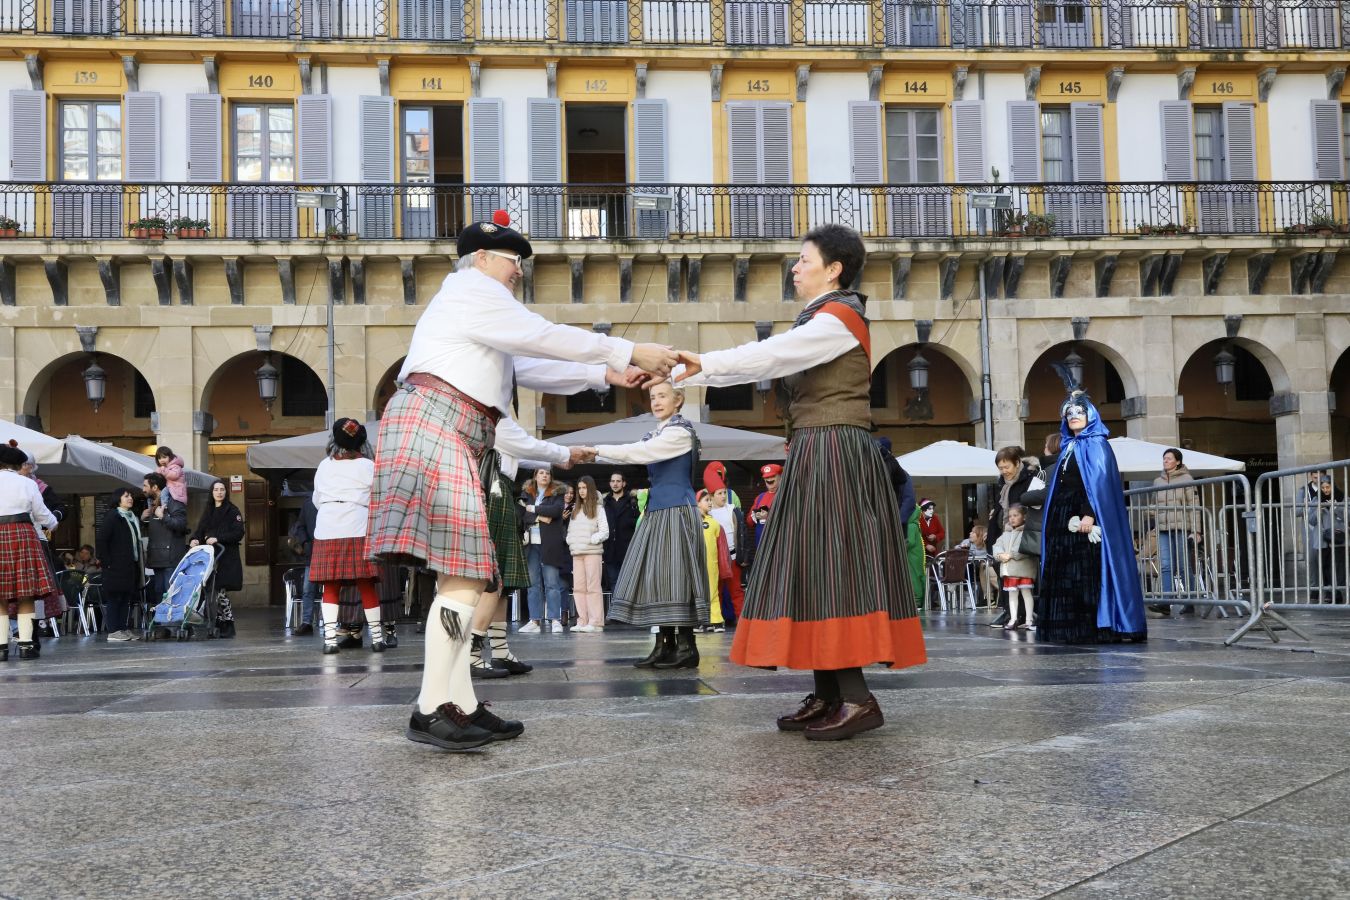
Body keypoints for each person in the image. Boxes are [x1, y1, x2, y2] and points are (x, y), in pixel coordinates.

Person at [365, 210, 677, 752]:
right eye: (513, 261)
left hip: (445, 424)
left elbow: (526, 365)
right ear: (483, 258)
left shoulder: (476, 308)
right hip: (440, 422)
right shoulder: (472, 290)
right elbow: (540, 336)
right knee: (466, 574)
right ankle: (430, 707)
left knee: (463, 577)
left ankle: (459, 701)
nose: (519, 272)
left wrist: (605, 374)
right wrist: (625, 350)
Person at [676, 223, 926, 740]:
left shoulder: (838, 317)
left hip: (834, 449)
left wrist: (698, 364)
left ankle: (856, 698)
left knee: (834, 566)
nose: (795, 268)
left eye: (804, 260)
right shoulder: (823, 315)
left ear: (834, 269)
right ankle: (830, 692)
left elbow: (772, 355)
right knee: (814, 565)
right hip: (818, 448)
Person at [594, 380, 709, 668]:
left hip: (676, 509)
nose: (656, 401)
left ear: (678, 400)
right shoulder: (657, 434)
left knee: (676, 576)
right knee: (656, 576)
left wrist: (594, 450)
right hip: (658, 510)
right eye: (653, 397)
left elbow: (639, 452)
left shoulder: (679, 433)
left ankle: (686, 646)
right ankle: (664, 644)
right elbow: (641, 450)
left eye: (662, 396)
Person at [1036, 388, 1147, 644]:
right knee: (1064, 571)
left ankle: (1091, 626)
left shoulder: (1097, 444)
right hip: (1062, 515)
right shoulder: (1068, 446)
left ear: (1091, 415)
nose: (1073, 416)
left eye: (1079, 411)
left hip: (1082, 515)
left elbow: (1100, 484)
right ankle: (1066, 627)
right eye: (1069, 413)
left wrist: (1089, 514)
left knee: (1084, 570)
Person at [311, 419, 386, 655]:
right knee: (366, 583)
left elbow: (316, 499)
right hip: (358, 525)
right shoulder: (369, 465)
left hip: (327, 527)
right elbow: (378, 499)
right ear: (362, 442)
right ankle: (377, 639)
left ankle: (330, 641)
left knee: (331, 585)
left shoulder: (324, 465)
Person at [0, 442, 58, 661]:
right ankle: (26, 646)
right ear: (17, 464)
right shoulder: (27, 483)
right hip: (22, 533)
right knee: (26, 593)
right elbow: (42, 514)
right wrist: (53, 523)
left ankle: (1, 648)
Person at [987, 446, 1038, 627]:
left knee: (1023, 576)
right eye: (1000, 468)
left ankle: (1026, 614)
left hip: (1022, 532)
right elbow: (1001, 505)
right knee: (1004, 573)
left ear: (1017, 463)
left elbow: (1032, 505)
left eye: (1006, 467)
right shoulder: (1003, 483)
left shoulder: (1029, 479)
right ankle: (1010, 612)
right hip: (1004, 532)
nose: (1004, 471)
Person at [189, 479, 244, 639]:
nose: (219, 492)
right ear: (212, 493)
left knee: (221, 591)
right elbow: (200, 530)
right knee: (212, 591)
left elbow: (238, 533)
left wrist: (218, 538)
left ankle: (228, 624)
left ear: (226, 492)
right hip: (210, 559)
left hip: (226, 557)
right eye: (216, 490)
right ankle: (218, 623)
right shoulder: (209, 510)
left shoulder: (232, 510)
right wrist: (194, 539)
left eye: (222, 489)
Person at [519, 469, 567, 634]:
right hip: (531, 544)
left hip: (550, 543)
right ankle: (534, 620)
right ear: (535, 476)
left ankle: (555, 620)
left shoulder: (558, 492)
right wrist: (540, 516)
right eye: (541, 473)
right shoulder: (527, 493)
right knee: (533, 584)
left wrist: (533, 509)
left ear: (551, 476)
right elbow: (521, 514)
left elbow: (556, 511)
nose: (544, 475)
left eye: (547, 473)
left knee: (552, 583)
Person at [97, 487, 144, 643]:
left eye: (130, 496)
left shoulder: (132, 517)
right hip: (115, 566)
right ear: (118, 499)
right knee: (115, 598)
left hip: (129, 565)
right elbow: (102, 540)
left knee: (125, 598)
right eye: (126, 496)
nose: (130, 498)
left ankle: (123, 628)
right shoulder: (113, 516)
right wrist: (107, 562)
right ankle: (113, 630)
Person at [1152, 448, 1199, 606]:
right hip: (1163, 529)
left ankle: (1190, 601)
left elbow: (1194, 506)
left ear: (1178, 462)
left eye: (1169, 458)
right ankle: (1166, 603)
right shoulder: (1157, 481)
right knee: (1165, 566)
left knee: (1183, 565)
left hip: (1181, 528)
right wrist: (1149, 513)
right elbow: (1153, 504)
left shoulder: (1187, 478)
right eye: (1164, 458)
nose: (1165, 461)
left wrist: (1196, 531)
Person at [703, 461, 746, 624]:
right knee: (716, 591)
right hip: (715, 559)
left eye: (724, 493)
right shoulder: (707, 514)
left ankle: (741, 620)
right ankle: (716, 620)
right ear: (711, 496)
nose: (723, 496)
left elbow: (740, 533)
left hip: (733, 558)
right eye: (719, 493)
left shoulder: (732, 509)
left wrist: (743, 555)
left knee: (736, 590)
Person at [566, 475, 609, 632]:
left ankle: (595, 622)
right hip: (577, 553)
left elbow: (604, 531)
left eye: (584, 488)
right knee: (578, 588)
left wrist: (592, 540)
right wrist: (571, 541)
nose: (581, 491)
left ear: (590, 489)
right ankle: (582, 621)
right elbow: (570, 531)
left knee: (593, 587)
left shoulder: (598, 508)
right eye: (579, 488)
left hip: (592, 553)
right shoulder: (575, 509)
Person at [142, 472, 188, 607]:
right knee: (159, 593)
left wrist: (163, 517)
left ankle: (172, 621)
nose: (143, 489)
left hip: (170, 559)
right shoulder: (152, 505)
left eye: (145, 486)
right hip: (157, 559)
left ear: (155, 487)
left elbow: (181, 525)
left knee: (170, 594)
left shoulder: (174, 502)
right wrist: (143, 519)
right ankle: (161, 620)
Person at [993, 505, 1036, 630]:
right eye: (1010, 516)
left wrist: (1010, 554)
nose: (1012, 518)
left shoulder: (1027, 532)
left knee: (1026, 593)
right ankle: (1013, 619)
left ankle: (1029, 620)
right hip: (1010, 569)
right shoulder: (1006, 533)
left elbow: (1025, 547)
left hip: (1024, 569)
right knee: (1012, 594)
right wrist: (1000, 555)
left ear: (1024, 517)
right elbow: (997, 545)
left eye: (1015, 515)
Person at [696, 489, 730, 633]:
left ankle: (716, 621)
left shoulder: (715, 524)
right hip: (696, 564)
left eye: (710, 500)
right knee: (697, 593)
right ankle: (700, 620)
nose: (710, 503)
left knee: (713, 591)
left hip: (711, 565)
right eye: (706, 500)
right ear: (697, 503)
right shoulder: (691, 522)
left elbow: (722, 547)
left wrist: (724, 566)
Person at [602, 473, 639, 599]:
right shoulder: (604, 502)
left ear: (624, 483)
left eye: (618, 481)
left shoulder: (633, 501)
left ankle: (627, 609)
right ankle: (616, 609)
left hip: (628, 549)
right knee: (613, 583)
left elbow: (639, 523)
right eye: (613, 481)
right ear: (609, 483)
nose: (615, 484)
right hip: (610, 550)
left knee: (629, 583)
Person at [1316, 476, 1348, 603]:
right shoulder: (1317, 499)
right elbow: (1311, 520)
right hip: (1323, 539)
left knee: (1339, 566)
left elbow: (1348, 515)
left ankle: (1339, 593)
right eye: (1323, 487)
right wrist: (1317, 511)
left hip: (1338, 538)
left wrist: (1335, 507)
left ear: (1332, 486)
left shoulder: (1342, 497)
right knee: (1325, 566)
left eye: (1327, 487)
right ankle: (1329, 592)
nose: (1325, 490)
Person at [956, 523, 996, 606]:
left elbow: (985, 553)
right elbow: (956, 548)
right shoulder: (967, 541)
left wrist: (971, 552)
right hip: (971, 568)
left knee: (981, 565)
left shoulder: (986, 544)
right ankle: (968, 596)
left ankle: (984, 598)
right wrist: (961, 547)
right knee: (968, 566)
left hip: (981, 567)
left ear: (979, 535)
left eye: (973, 532)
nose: (970, 533)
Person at [747, 464, 781, 556]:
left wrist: (769, 516)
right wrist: (755, 516)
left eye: (772, 476)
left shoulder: (784, 496)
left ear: (780, 477)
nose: (769, 480)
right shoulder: (760, 497)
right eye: (767, 478)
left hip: (778, 545)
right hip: (761, 546)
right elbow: (749, 522)